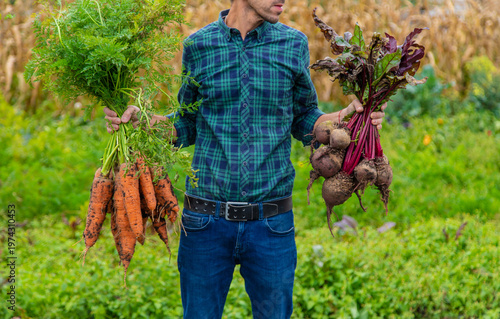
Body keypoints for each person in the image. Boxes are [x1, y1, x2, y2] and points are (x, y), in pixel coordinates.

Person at [104, 0, 386, 318]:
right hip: (205, 221)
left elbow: (304, 118)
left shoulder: (292, 44)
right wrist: (145, 122)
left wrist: (344, 120)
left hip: (271, 224)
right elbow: (186, 123)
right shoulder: (198, 46)